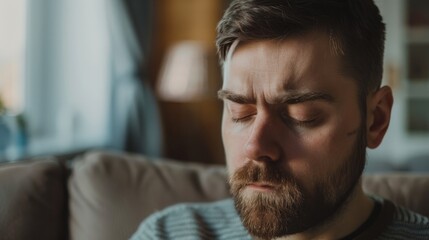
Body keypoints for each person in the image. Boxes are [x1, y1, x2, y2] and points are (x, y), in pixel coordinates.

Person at [131, 0, 429, 239]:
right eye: (240, 111)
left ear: (375, 120)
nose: (255, 146)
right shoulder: (168, 233)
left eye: (302, 116)